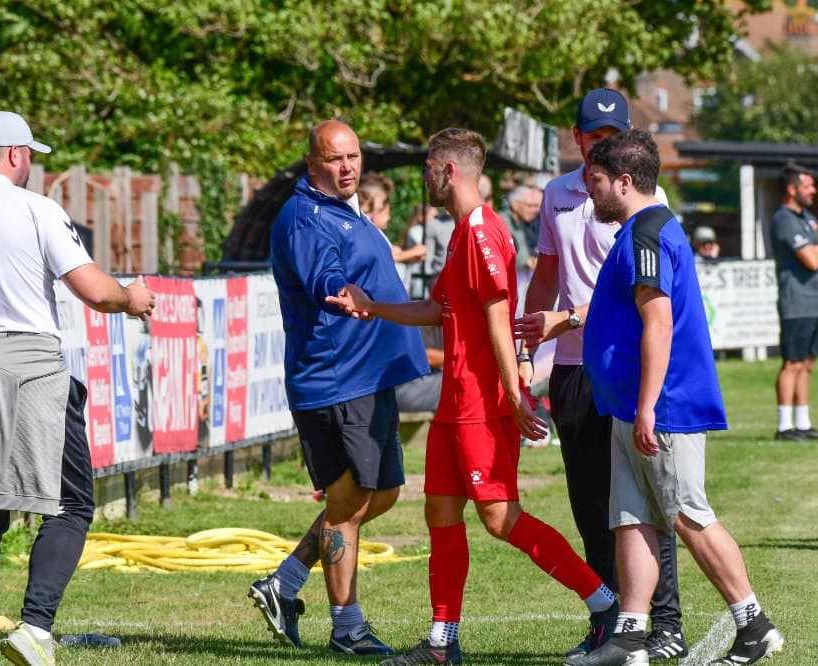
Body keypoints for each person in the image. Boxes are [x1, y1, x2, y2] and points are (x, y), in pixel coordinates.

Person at [327, 127, 617, 666]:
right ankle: (443, 642)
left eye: (428, 168)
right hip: (454, 404)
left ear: (449, 170)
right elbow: (438, 309)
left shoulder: (483, 231)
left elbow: (496, 316)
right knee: (439, 510)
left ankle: (605, 604)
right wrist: (373, 306)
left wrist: (513, 391)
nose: (424, 177)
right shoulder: (462, 231)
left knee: (501, 518)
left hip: (481, 405)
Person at [574, 129, 783, 666]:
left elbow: (659, 323)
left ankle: (754, 625)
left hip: (659, 408)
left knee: (688, 515)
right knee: (632, 518)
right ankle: (629, 638)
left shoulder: (646, 234)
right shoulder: (640, 230)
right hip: (629, 405)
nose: (589, 189)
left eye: (596, 180)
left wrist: (648, 406)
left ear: (624, 182)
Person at [516, 87, 686, 661]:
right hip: (571, 368)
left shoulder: (646, 196)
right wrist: (526, 349)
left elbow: (634, 295)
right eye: (595, 136)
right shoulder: (556, 194)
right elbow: (546, 275)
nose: (603, 145)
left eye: (614, 136)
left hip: (624, 366)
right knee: (590, 506)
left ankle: (664, 626)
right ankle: (609, 622)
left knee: (645, 502)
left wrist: (565, 318)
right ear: (578, 137)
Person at [249, 119, 429, 655]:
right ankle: (347, 629)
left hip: (368, 375)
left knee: (381, 494)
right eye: (334, 158)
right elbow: (323, 276)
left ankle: (284, 582)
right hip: (336, 378)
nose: (347, 167)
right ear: (312, 164)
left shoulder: (344, 208)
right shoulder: (304, 217)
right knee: (348, 504)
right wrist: (342, 291)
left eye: (353, 156)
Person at [0, 110, 156, 666]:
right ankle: (35, 628)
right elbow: (94, 290)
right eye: (29, 156)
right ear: (16, 154)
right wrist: (131, 298)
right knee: (72, 502)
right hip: (28, 367)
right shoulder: (35, 209)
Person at [770, 162, 818, 441]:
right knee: (792, 363)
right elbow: (812, 260)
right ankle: (785, 426)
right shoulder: (783, 219)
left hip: (813, 302)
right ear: (792, 189)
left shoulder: (808, 217)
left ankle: (803, 423)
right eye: (808, 186)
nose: (813, 191)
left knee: (807, 362)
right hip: (795, 303)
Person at [358, 171, 427, 285]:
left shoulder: (373, 231)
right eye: (382, 203)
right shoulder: (360, 230)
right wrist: (413, 252)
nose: (383, 207)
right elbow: (385, 256)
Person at [498, 185, 543, 312]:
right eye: (530, 206)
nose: (536, 210)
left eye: (536, 206)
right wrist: (527, 261)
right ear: (515, 205)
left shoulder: (520, 222)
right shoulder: (502, 222)